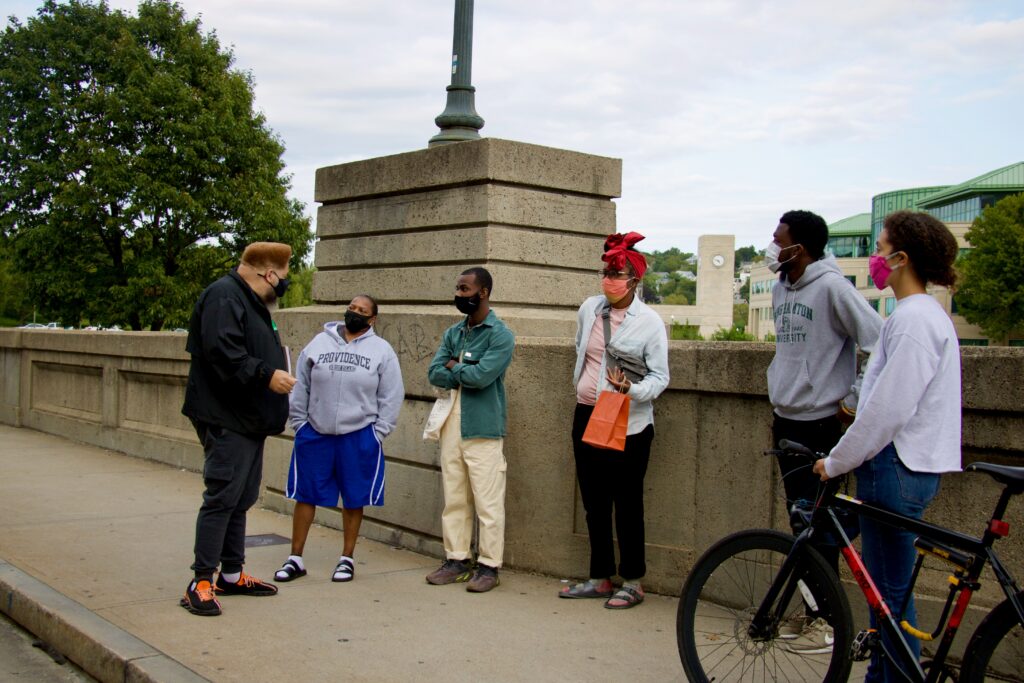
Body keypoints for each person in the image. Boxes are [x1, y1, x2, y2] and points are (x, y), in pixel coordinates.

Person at [813, 210, 962, 682]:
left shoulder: (914, 321)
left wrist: (836, 461)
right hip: (909, 467)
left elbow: (886, 409)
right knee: (890, 593)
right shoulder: (921, 317)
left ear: (901, 258)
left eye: (879, 249)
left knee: (888, 596)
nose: (874, 259)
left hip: (895, 467)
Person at [765, 210, 881, 609]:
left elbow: (879, 342)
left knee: (821, 526)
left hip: (821, 423)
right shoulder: (780, 289)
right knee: (799, 521)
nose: (773, 246)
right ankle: (814, 611)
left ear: (800, 248)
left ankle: (828, 619)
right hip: (786, 417)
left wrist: (852, 400)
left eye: (779, 241)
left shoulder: (833, 288)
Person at [180, 242, 297, 616]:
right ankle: (200, 581)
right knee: (222, 497)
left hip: (248, 420)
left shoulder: (250, 300)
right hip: (226, 418)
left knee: (241, 498)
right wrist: (268, 374)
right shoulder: (223, 296)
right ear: (269, 274)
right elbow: (222, 353)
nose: (283, 285)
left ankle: (231, 573)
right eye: (284, 278)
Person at [558, 232, 669, 609]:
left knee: (627, 502)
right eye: (606, 271)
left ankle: (633, 580)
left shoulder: (649, 322)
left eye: (617, 273)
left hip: (629, 422)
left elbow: (660, 377)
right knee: (594, 500)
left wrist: (630, 391)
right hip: (587, 413)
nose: (609, 278)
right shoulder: (589, 309)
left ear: (634, 281)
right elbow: (581, 350)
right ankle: (600, 577)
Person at [274, 295, 404, 584]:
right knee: (305, 494)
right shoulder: (319, 343)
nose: (355, 314)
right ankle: (295, 557)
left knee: (354, 497)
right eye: (352, 309)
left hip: (358, 435)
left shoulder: (382, 351)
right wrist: (300, 424)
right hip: (316, 433)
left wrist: (378, 432)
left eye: (362, 311)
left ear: (372, 320)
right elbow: (301, 385)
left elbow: (392, 395)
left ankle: (346, 559)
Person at [425, 267, 515, 593]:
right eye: (458, 289)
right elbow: (434, 372)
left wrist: (455, 366)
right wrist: (459, 368)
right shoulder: (454, 333)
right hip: (451, 425)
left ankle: (489, 567)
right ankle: (457, 560)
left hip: (483, 429)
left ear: (484, 292)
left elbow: (482, 378)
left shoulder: (500, 335)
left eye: (465, 289)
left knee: (488, 503)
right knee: (454, 498)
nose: (460, 295)